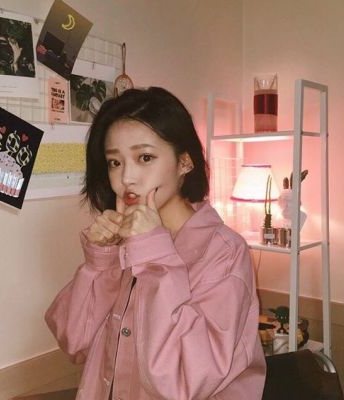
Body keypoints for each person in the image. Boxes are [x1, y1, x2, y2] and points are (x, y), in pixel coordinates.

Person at [45, 87, 266, 399]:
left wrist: (154, 253)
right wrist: (99, 263)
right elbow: (74, 342)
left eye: (145, 157)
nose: (127, 178)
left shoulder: (224, 252)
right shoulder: (126, 243)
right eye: (114, 162)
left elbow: (183, 382)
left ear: (185, 161)